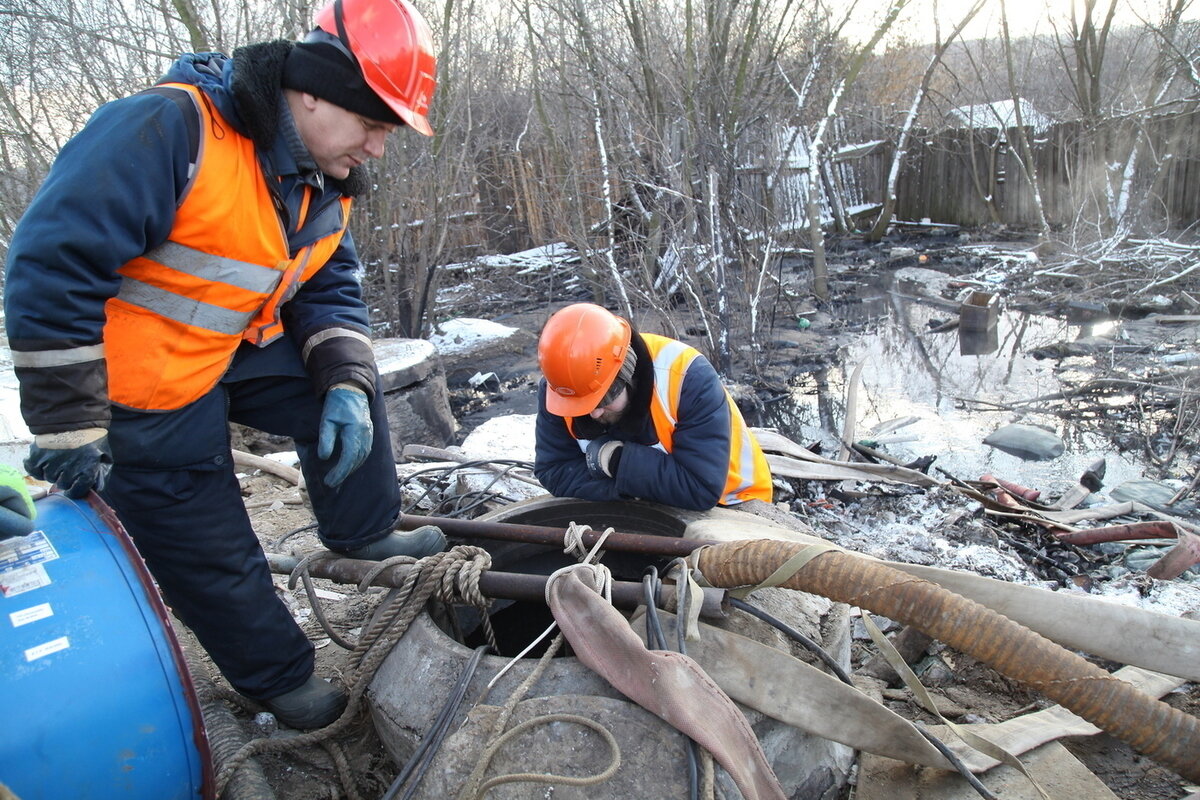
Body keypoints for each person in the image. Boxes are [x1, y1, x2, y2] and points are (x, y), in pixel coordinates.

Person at [4, 0, 446, 730]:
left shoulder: (320, 180)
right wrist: (67, 423)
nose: (378, 147)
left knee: (348, 384)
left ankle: (362, 527)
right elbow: (50, 265)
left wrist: (342, 381)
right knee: (208, 540)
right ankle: (278, 678)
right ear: (312, 91)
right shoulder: (167, 131)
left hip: (229, 348)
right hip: (139, 381)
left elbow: (330, 282)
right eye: (373, 123)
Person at [534, 303, 773, 511]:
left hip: (734, 501)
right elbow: (553, 470)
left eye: (604, 400)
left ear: (628, 376)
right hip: (648, 501)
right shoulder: (563, 387)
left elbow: (700, 489)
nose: (593, 413)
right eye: (580, 405)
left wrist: (615, 461)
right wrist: (629, 486)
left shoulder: (686, 376)